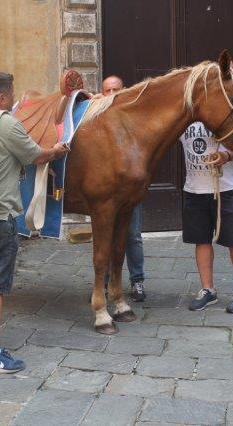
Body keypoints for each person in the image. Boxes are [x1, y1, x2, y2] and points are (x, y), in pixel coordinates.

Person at [0, 71, 68, 374]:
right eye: (12, 94)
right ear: (3, 97)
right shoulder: (6, 123)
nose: (14, 99)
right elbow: (35, 155)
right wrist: (56, 150)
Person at [181, 121, 233, 313]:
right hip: (195, 189)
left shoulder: (223, 116)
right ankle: (208, 290)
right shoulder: (185, 117)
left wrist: (226, 155)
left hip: (225, 189)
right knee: (201, 240)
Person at [101, 75, 146, 302]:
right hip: (106, 190)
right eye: (107, 91)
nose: (112, 94)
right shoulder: (97, 115)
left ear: (124, 90)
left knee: (132, 235)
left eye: (116, 89)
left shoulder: (133, 117)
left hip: (129, 187)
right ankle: (104, 281)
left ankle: (137, 281)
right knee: (105, 236)